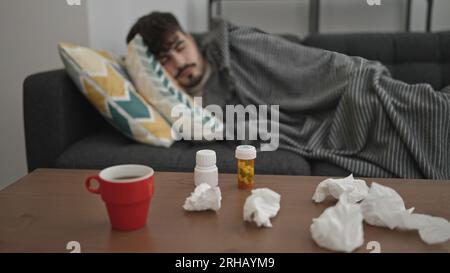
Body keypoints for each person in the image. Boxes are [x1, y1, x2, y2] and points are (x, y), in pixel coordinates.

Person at [126, 11, 450, 179]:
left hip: (353, 91)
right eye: (164, 61)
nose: (179, 63)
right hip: (321, 126)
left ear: (191, 39)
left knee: (427, 110)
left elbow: (310, 66)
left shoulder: (235, 46)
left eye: (180, 47)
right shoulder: (188, 109)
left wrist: (355, 79)